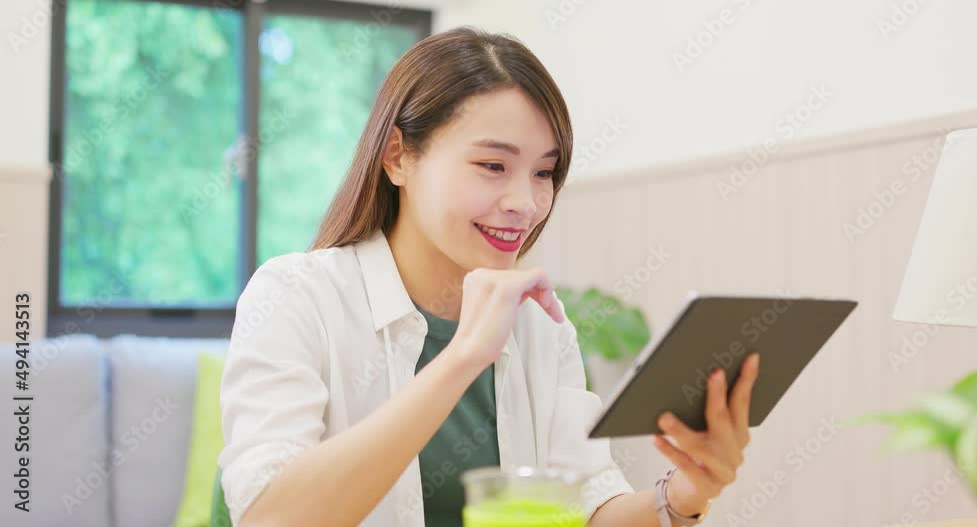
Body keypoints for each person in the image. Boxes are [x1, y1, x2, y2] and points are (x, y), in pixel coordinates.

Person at [216, 25, 759, 527]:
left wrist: (683, 495)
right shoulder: (296, 296)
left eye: (544, 172)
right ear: (398, 156)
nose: (525, 203)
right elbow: (269, 514)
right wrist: (461, 358)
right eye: (493, 166)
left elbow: (589, 505)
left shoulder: (540, 325)